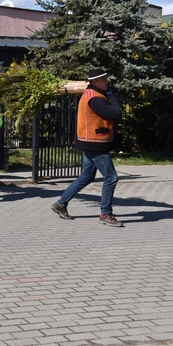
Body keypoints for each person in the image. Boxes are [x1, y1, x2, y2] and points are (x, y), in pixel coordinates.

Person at [50, 68, 123, 227]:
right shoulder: (95, 98)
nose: (107, 82)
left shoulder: (91, 94)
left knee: (87, 176)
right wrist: (111, 94)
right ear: (95, 82)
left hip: (89, 141)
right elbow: (115, 113)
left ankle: (60, 204)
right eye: (104, 80)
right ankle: (105, 214)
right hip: (96, 143)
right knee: (111, 178)